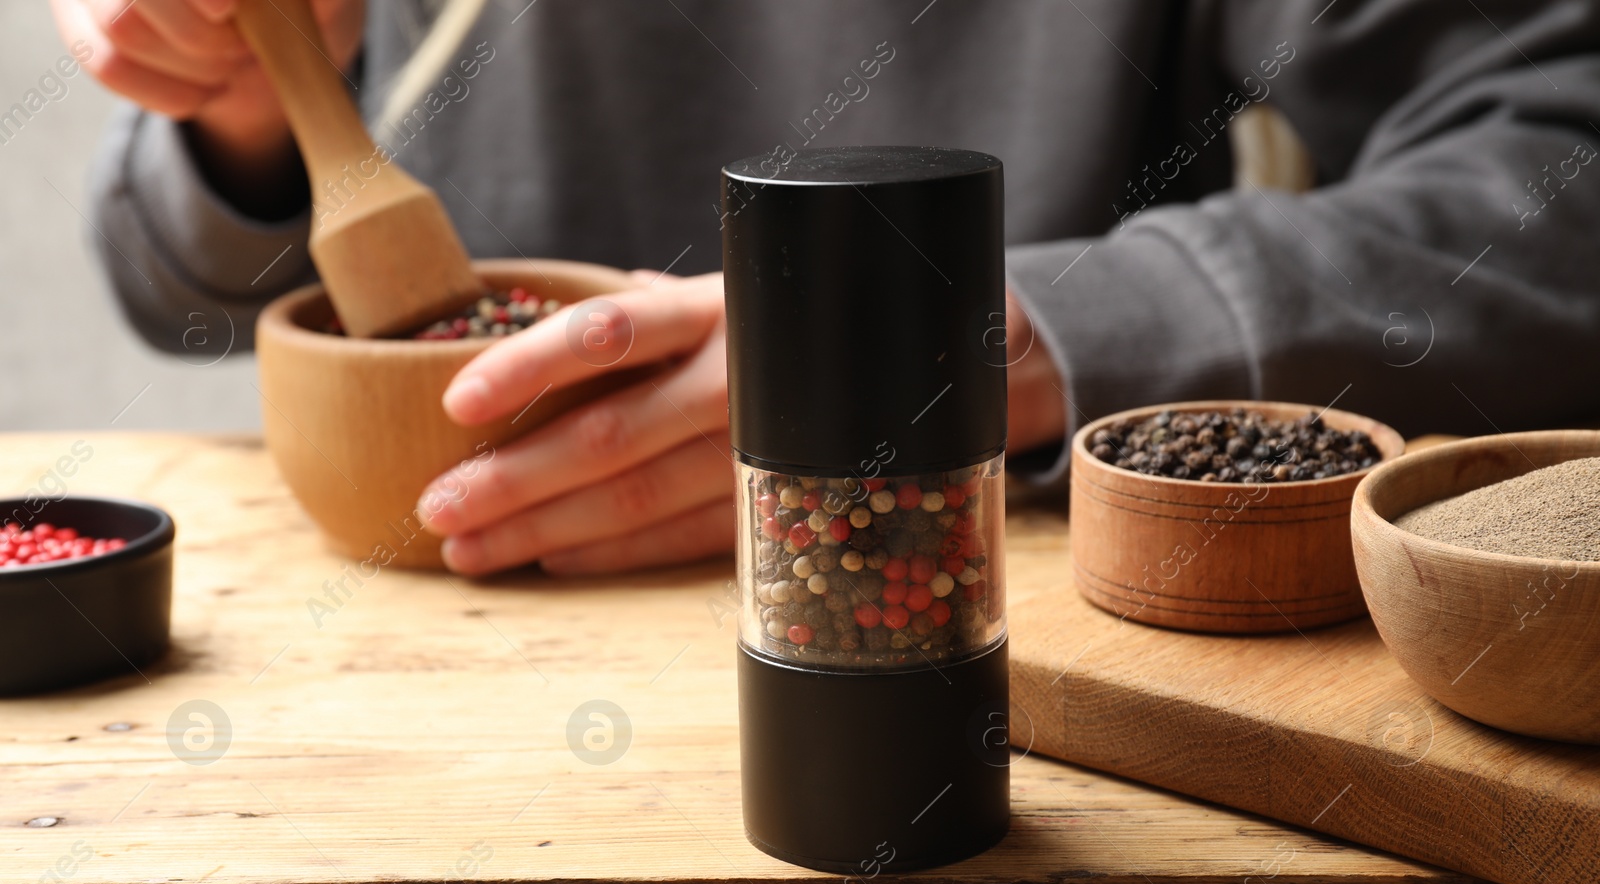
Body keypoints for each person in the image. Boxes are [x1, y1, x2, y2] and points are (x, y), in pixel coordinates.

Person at [59, 0, 1600, 576]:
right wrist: (251, 100)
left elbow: (1558, 166)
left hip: (1004, 585)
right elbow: (188, 289)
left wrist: (1009, 344)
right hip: (438, 640)